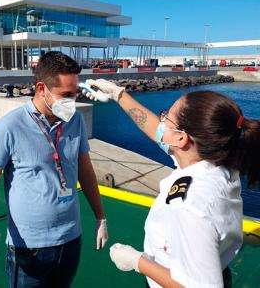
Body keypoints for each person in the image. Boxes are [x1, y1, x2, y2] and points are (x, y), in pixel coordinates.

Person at [82, 79, 260, 287]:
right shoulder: (216, 157)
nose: (162, 121)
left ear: (182, 139)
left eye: (166, 117)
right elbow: (158, 132)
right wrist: (118, 95)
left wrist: (137, 262)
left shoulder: (192, 206)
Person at [0, 52, 108, 288]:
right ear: (41, 88)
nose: (72, 101)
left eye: (75, 93)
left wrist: (100, 217)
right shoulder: (9, 126)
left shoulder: (74, 121)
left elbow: (85, 171)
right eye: (66, 95)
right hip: (29, 248)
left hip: (70, 240)